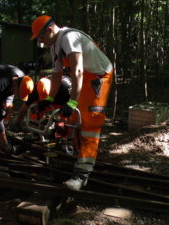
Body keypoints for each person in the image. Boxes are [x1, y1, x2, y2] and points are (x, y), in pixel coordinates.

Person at [30, 15, 114, 191]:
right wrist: (49, 99)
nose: (41, 41)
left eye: (41, 37)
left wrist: (73, 101)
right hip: (85, 76)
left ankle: (82, 174)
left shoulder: (69, 37)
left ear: (50, 30)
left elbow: (76, 70)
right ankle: (81, 158)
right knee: (76, 120)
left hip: (99, 76)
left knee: (90, 121)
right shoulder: (55, 46)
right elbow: (57, 75)